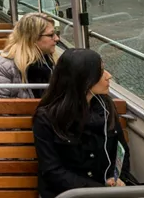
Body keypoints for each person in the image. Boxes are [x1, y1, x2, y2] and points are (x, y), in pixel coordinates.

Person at [33, 49, 131, 198]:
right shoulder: (47, 118)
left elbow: (121, 151)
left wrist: (117, 178)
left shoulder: (106, 107)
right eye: (101, 71)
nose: (108, 76)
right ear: (83, 78)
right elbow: (52, 171)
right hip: (68, 194)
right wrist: (98, 191)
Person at [0, 12, 58, 99]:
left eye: (57, 33)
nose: (57, 38)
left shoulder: (54, 64)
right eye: (51, 35)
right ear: (32, 38)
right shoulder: (2, 67)